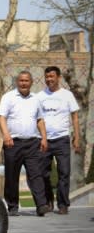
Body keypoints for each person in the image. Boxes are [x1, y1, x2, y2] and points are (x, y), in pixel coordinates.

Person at [0, 71, 50, 217]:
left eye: (26, 81)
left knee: (36, 174)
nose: (23, 83)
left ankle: (41, 205)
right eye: (21, 80)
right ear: (17, 82)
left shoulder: (36, 99)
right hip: (13, 143)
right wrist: (6, 135)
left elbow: (40, 119)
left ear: (31, 82)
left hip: (33, 143)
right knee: (11, 176)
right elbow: (1, 117)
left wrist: (44, 138)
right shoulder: (8, 97)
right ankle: (12, 206)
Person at [37, 66, 80, 215]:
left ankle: (63, 204)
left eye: (52, 76)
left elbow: (74, 116)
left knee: (64, 173)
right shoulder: (39, 96)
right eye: (47, 76)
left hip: (62, 139)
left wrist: (77, 137)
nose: (49, 79)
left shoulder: (67, 95)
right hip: (45, 140)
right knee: (43, 173)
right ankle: (49, 202)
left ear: (59, 77)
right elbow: (36, 118)